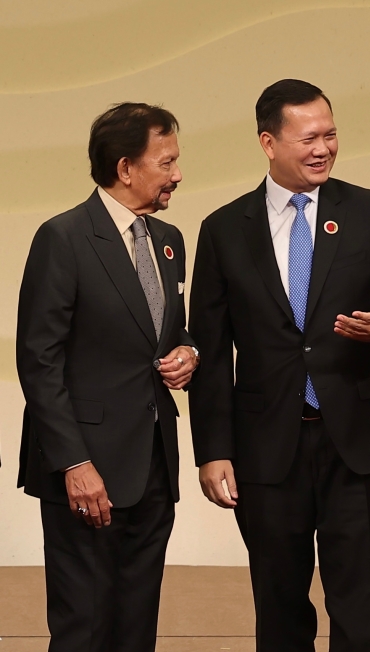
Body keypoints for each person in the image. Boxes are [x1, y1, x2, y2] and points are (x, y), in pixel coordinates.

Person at [188, 78, 370, 652]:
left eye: (330, 134)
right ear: (268, 143)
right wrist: (214, 449)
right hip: (266, 448)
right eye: (307, 138)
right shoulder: (224, 230)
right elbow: (210, 346)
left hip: (360, 442)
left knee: (362, 603)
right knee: (278, 605)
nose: (323, 148)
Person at [16, 103, 197, 651]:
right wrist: (74, 461)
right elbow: (39, 360)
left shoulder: (169, 241)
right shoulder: (64, 237)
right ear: (125, 168)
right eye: (166, 162)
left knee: (136, 626)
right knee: (84, 628)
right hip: (86, 470)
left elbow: (171, 332)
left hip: (153, 467)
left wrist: (189, 353)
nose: (177, 175)